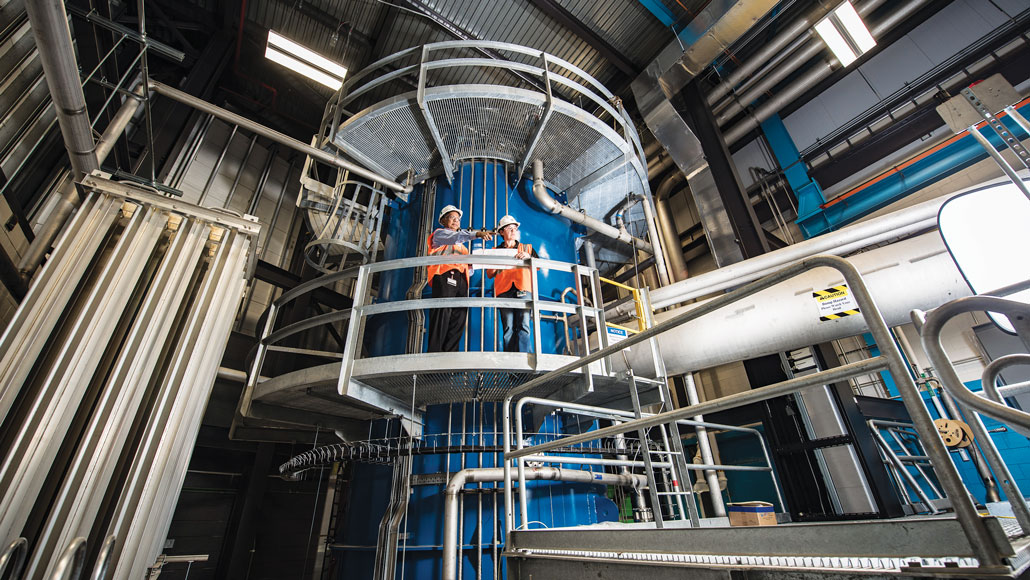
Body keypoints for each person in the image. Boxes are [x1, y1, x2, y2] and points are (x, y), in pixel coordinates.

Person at [427, 204, 492, 352]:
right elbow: (455, 237)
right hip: (444, 277)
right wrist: (477, 234)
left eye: (458, 218)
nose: (456, 221)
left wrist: (473, 265)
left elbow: (467, 268)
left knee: (458, 319)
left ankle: (449, 358)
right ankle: (433, 359)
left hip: (462, 281)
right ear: (443, 221)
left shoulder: (463, 247)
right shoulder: (439, 234)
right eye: (452, 218)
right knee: (442, 317)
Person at [487, 215, 537, 353]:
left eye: (515, 228)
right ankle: (512, 366)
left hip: (523, 289)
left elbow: (538, 266)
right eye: (510, 228)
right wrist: (497, 262)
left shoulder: (527, 248)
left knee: (524, 326)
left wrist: (529, 258)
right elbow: (489, 273)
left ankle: (525, 365)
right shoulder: (494, 251)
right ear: (501, 232)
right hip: (504, 291)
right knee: (508, 329)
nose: (513, 231)